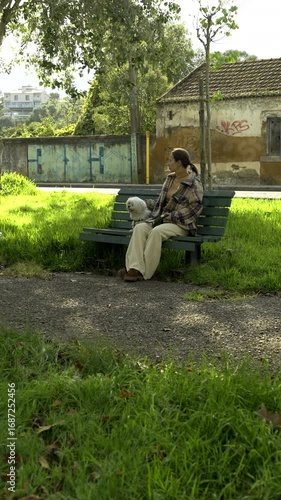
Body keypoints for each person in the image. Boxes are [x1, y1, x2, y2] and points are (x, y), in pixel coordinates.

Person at [118, 147, 204, 282]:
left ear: (179, 163)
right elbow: (160, 202)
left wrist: (170, 216)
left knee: (156, 232)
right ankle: (134, 269)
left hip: (182, 224)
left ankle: (143, 273)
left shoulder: (193, 183)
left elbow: (194, 209)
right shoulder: (169, 179)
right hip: (162, 220)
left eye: (170, 160)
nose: (168, 163)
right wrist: (144, 204)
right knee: (139, 228)